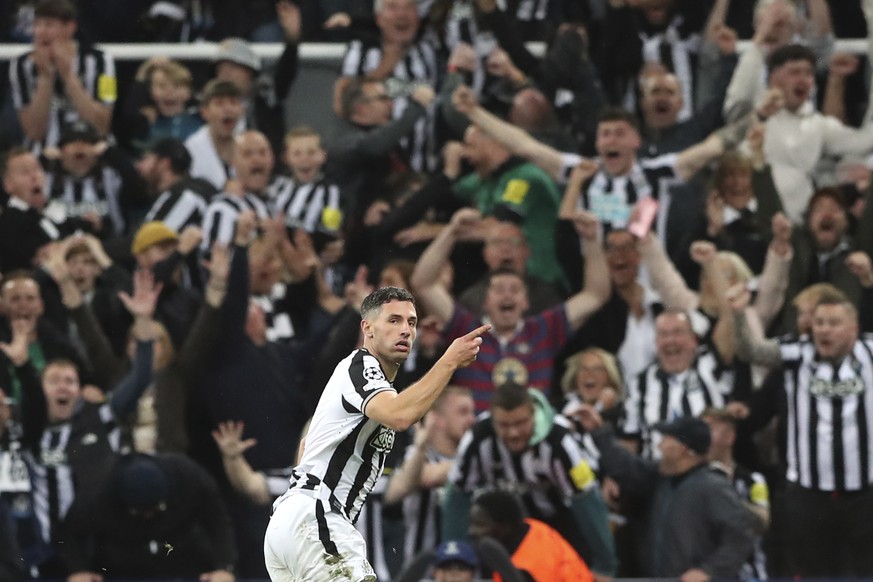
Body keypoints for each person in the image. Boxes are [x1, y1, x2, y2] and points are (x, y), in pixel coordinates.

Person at [263, 287, 488, 582]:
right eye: (394, 321)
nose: (405, 330)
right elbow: (401, 415)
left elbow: (309, 447)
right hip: (316, 517)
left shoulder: (371, 387)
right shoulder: (360, 365)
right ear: (367, 328)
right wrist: (448, 361)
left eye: (411, 322)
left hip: (293, 522)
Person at [728, 284, 873, 577]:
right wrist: (740, 314)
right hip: (808, 495)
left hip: (865, 494)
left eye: (834, 323)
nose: (824, 330)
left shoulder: (871, 351)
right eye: (819, 323)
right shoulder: (797, 352)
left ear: (853, 328)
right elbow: (751, 350)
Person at [410, 207, 610, 411]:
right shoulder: (466, 330)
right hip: (475, 433)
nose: (507, 295)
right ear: (486, 301)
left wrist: (592, 240)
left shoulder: (544, 330)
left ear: (525, 302)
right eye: (499, 289)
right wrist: (451, 231)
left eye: (514, 290)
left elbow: (595, 294)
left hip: (533, 434)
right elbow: (423, 283)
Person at [442, 381, 616, 580]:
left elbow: (587, 502)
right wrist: (454, 561)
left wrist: (604, 565)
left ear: (533, 414)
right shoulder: (477, 439)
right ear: (493, 420)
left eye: (520, 423)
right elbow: (457, 497)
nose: (513, 433)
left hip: (556, 527)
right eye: (504, 425)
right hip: (501, 532)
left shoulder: (559, 441)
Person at [578, 410, 756, 580]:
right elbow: (628, 467)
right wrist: (598, 431)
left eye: (665, 440)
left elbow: (742, 534)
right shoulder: (661, 478)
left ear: (683, 449)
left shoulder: (713, 487)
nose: (659, 446)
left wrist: (710, 570)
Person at [60, 453, 236, 581]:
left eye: (155, 510)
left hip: (182, 559)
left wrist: (224, 567)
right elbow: (70, 532)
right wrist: (78, 570)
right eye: (141, 513)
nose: (148, 517)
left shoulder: (189, 477)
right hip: (120, 567)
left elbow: (218, 522)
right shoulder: (99, 491)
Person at [619, 310, 734, 459]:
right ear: (656, 342)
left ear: (694, 340)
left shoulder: (711, 366)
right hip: (658, 473)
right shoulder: (639, 383)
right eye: (663, 334)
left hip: (707, 471)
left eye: (677, 332)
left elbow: (728, 329)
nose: (670, 341)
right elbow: (629, 438)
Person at [8, 0, 116, 153]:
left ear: (70, 28)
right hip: (44, 154)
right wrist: (45, 78)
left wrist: (69, 77)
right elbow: (34, 133)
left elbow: (102, 126)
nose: (41, 32)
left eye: (49, 25)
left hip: (94, 151)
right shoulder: (19, 66)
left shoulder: (104, 61)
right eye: (37, 25)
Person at [384, 386, 476, 563]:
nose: (472, 420)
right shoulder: (415, 456)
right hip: (420, 570)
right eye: (463, 412)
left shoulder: (476, 458)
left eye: (473, 412)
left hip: (466, 570)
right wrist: (421, 448)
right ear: (436, 418)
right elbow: (422, 477)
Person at [701, 407, 769, 581]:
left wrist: (726, 499)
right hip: (704, 572)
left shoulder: (753, 481)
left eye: (710, 430)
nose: (703, 437)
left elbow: (763, 520)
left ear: (730, 437)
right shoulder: (692, 482)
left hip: (747, 572)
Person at [468, 489, 594, 582]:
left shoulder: (534, 563)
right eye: (472, 523)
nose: (471, 531)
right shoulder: (532, 527)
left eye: (481, 524)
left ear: (504, 527)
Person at [139, 137, 218, 233]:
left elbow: (147, 241)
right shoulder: (200, 186)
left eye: (145, 159)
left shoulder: (186, 196)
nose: (139, 166)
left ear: (164, 163)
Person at [184, 79, 245, 191]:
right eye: (219, 103)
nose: (228, 109)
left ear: (242, 110)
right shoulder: (191, 149)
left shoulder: (248, 145)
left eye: (233, 102)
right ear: (204, 112)